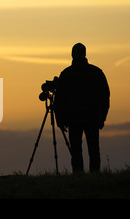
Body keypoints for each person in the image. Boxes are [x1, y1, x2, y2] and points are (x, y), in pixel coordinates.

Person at [55, 43, 110, 173]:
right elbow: (105, 98)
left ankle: (78, 176)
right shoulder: (96, 72)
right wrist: (102, 118)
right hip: (92, 118)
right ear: (85, 53)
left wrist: (60, 120)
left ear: (72, 54)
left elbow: (59, 100)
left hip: (73, 119)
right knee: (94, 150)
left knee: (76, 151)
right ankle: (95, 177)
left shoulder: (66, 74)